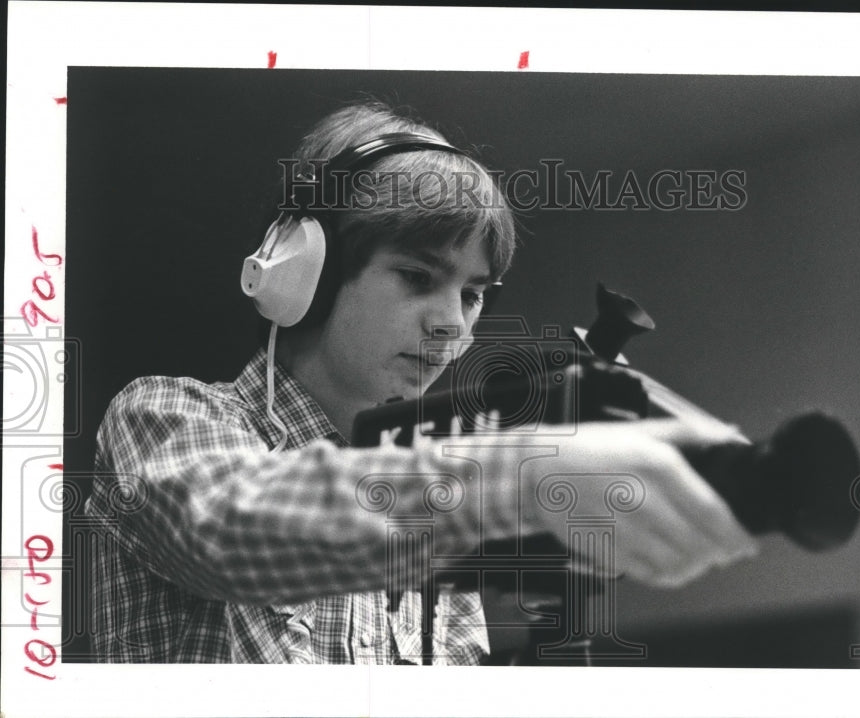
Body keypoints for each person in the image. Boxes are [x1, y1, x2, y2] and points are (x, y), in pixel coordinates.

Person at [84, 101, 757, 664]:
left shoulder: (442, 534)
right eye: (416, 276)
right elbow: (231, 533)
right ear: (301, 275)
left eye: (473, 294)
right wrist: (522, 476)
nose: (450, 326)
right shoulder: (162, 415)